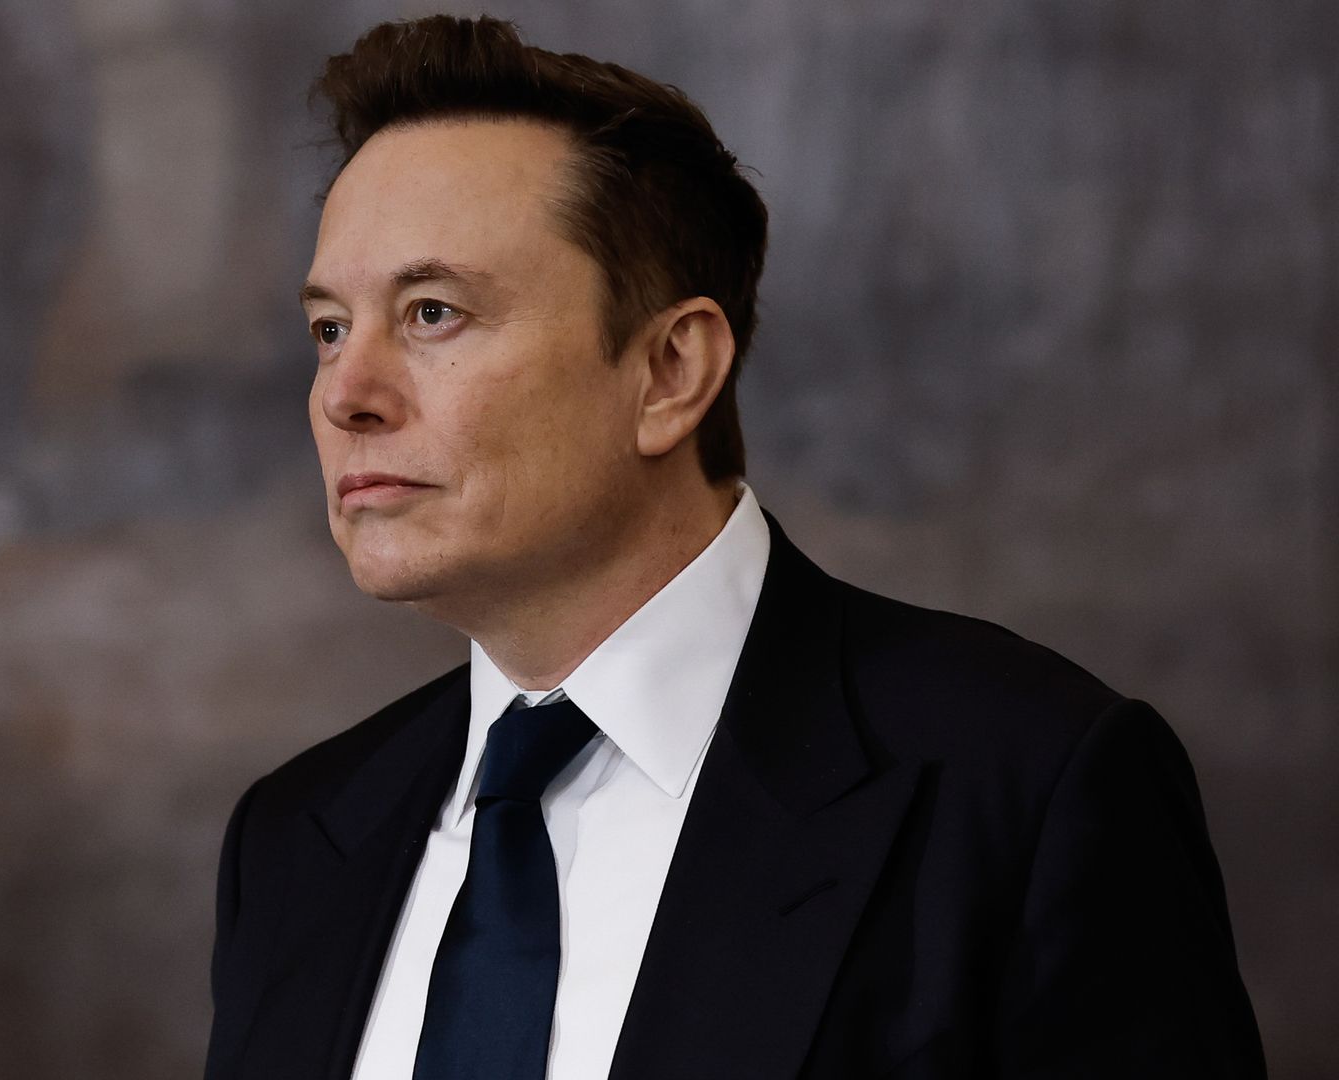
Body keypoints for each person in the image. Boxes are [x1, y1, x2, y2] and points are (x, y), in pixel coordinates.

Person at [203, 15, 1265, 1079]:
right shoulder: (292, 840)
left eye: (432, 313)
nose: (345, 393)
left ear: (670, 370)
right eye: (330, 329)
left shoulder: (1026, 787)